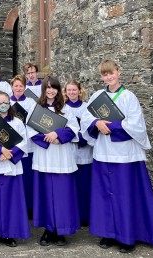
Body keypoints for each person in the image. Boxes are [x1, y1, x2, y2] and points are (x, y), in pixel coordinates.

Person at [81, 60, 153, 253]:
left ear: (118, 72)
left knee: (124, 195)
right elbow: (86, 118)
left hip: (125, 155)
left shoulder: (129, 97)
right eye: (104, 75)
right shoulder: (97, 96)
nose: (108, 77)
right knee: (105, 195)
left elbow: (136, 125)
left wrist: (109, 126)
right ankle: (108, 233)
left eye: (111, 73)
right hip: (103, 153)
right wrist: (96, 122)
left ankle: (127, 236)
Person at [27, 76, 80, 246]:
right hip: (44, 156)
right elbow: (29, 130)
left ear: (58, 90)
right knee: (46, 194)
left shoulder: (65, 108)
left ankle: (61, 231)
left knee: (62, 195)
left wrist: (58, 135)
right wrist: (47, 138)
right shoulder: (36, 108)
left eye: (54, 88)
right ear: (44, 90)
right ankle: (48, 230)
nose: (50, 91)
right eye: (48, 88)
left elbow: (73, 128)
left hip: (62, 156)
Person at [0, 92, 30, 247]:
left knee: (12, 201)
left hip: (12, 165)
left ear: (10, 104)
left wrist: (10, 153)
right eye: (0, 102)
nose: (3, 104)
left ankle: (10, 233)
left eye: (6, 102)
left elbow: (23, 142)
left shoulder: (17, 122)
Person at [64, 79, 93, 226]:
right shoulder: (62, 108)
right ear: (65, 92)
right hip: (69, 151)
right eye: (69, 90)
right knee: (71, 186)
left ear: (80, 91)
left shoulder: (87, 108)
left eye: (74, 90)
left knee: (84, 185)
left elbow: (91, 126)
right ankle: (72, 215)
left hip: (85, 151)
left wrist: (83, 138)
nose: (72, 92)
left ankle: (85, 216)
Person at [9, 75, 37, 216]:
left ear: (25, 87)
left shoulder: (31, 102)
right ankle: (17, 205)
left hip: (28, 143)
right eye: (16, 86)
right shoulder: (6, 102)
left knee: (28, 177)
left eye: (21, 86)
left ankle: (29, 207)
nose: (18, 88)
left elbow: (34, 121)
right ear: (11, 87)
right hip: (12, 143)